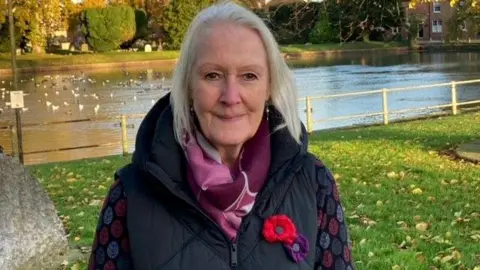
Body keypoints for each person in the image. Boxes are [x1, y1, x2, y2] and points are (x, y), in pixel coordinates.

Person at [88, 2, 353, 269]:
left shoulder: (314, 183)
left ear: (269, 87)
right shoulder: (129, 196)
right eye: (212, 75)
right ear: (189, 85)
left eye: (249, 76)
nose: (230, 97)